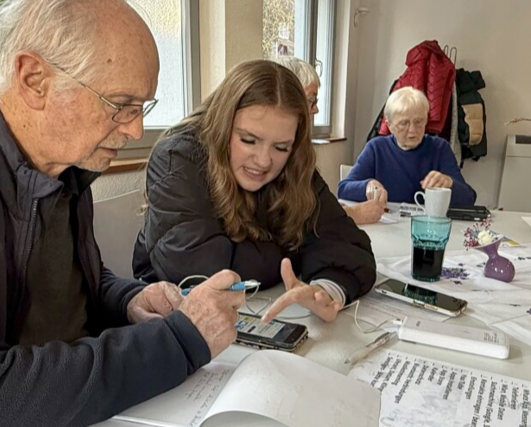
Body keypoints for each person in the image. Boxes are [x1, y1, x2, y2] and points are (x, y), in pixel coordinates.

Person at [0, 0, 245, 425]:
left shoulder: (67, 170)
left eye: (142, 108)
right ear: (33, 79)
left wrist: (128, 300)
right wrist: (179, 342)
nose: (135, 129)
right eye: (120, 103)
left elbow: (66, 290)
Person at [133, 59, 376, 325]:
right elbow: (202, 272)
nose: (263, 161)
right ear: (223, 124)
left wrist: (326, 290)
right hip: (174, 322)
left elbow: (347, 245)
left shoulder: (295, 162)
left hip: (265, 314)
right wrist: (296, 250)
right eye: (249, 140)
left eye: (281, 147)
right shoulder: (177, 156)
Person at [273, 56, 385, 225]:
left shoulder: (300, 149)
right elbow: (289, 219)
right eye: (311, 100)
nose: (315, 109)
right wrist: (352, 213)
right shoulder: (276, 153)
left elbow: (315, 202)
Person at [338, 86, 477, 206]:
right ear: (389, 125)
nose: (412, 130)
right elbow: (343, 189)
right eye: (404, 123)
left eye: (419, 122)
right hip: (387, 227)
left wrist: (449, 183)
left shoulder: (440, 148)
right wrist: (367, 185)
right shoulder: (376, 148)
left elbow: (469, 198)